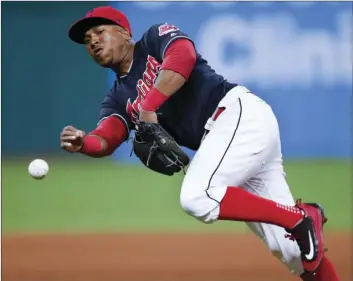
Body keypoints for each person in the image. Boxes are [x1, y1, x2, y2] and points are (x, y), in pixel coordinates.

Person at [61, 6, 340, 280]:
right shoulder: (118, 98)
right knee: (293, 252)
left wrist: (149, 105)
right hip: (226, 144)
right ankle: (299, 221)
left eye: (99, 32)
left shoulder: (153, 39)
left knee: (197, 196)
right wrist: (84, 142)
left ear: (124, 33)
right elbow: (107, 137)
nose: (93, 41)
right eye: (87, 41)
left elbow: (184, 55)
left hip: (237, 114)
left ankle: (300, 218)